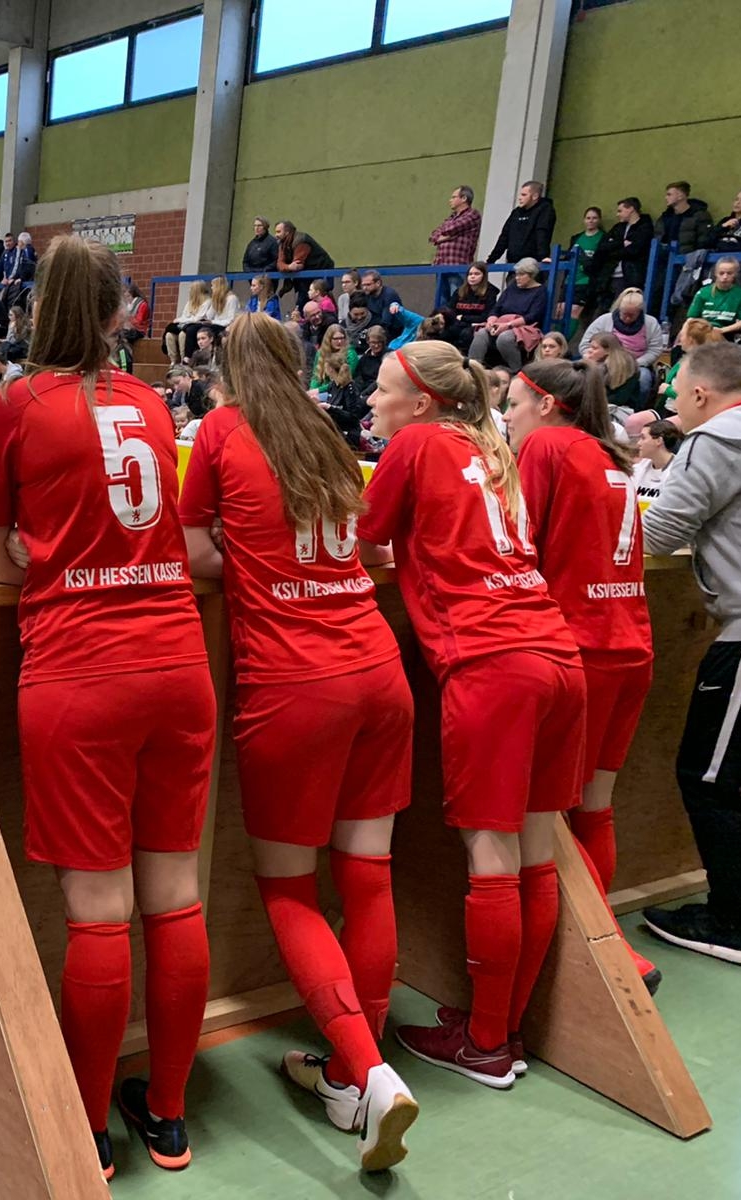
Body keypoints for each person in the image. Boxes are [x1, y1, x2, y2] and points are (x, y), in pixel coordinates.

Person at [0, 235, 215, 1180]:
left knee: (99, 912)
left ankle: (88, 1131)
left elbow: (2, 565)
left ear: (37, 309)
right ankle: (170, 1116)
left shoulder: (12, 404)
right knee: (175, 895)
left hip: (79, 671)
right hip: (178, 664)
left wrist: (40, 551)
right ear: (121, 313)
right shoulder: (151, 402)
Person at [178, 314, 417, 1170]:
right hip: (379, 672)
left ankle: (368, 1073)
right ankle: (353, 1077)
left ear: (226, 368)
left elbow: (193, 550)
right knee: (367, 875)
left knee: (289, 890)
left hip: (296, 686)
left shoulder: (222, 429)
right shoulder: (325, 429)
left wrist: (245, 556)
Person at [361, 341, 586, 1089]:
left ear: (421, 402)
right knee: (534, 855)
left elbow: (358, 541)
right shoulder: (488, 445)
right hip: (557, 656)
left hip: (492, 664)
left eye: (383, 390)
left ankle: (487, 1043)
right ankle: (503, 1029)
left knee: (492, 859)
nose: (372, 401)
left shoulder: (414, 444)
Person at [505, 359, 661, 989]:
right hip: (630, 646)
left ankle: (606, 959)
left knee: (545, 825)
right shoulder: (606, 452)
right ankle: (613, 949)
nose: (507, 418)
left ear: (545, 405)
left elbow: (515, 541)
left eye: (513, 405)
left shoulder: (546, 446)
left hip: (580, 647)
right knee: (595, 809)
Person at [639, 341, 741, 964]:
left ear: (699, 394)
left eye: (675, 392)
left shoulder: (713, 441)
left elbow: (659, 533)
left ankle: (734, 922)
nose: (670, 404)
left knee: (707, 777)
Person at [581, 289, 666, 400]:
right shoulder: (603, 320)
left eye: (632, 315)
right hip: (603, 363)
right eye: (624, 314)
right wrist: (591, 357)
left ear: (640, 312)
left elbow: (655, 349)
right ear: (619, 309)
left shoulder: (651, 323)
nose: (627, 318)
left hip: (637, 366)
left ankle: (637, 408)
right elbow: (585, 344)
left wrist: (636, 363)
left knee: (644, 380)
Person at [468, 259, 547, 370]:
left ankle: (516, 370)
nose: (517, 278)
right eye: (516, 274)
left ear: (531, 275)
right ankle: (473, 369)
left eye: (521, 275)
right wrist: (491, 320)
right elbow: (497, 308)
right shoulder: (512, 287)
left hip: (523, 327)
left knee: (505, 338)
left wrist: (508, 325)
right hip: (501, 323)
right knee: (481, 333)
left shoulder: (540, 291)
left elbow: (533, 316)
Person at [430, 185, 484, 305]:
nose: (450, 200)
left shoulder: (472, 214)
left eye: (454, 197)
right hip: (441, 265)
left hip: (457, 265)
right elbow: (434, 235)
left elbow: (451, 228)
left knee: (457, 300)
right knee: (441, 303)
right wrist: (448, 236)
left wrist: (445, 235)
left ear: (464, 198)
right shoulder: (451, 217)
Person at [489, 180, 557, 265]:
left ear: (535, 196)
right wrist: (491, 260)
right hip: (513, 263)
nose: (520, 198)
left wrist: (543, 256)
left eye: (524, 195)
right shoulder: (516, 212)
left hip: (533, 264)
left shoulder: (545, 210)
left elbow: (542, 233)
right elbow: (504, 237)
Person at [565, 207, 611, 331]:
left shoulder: (603, 238)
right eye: (588, 218)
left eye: (594, 218)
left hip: (586, 281)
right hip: (569, 279)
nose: (591, 221)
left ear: (599, 220)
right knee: (561, 312)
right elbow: (568, 256)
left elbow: (600, 262)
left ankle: (563, 341)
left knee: (574, 312)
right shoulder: (576, 237)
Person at [685, 257, 741, 337]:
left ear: (735, 274)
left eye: (729, 273)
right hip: (703, 333)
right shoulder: (703, 292)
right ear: (715, 273)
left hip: (728, 333)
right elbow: (691, 319)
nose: (725, 277)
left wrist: (722, 330)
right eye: (721, 273)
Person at [582, 332, 642, 412]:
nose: (589, 351)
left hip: (616, 409)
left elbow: (618, 399)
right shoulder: (598, 363)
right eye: (589, 347)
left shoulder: (624, 367)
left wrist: (588, 366)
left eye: (594, 348)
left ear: (608, 350)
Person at [604, 198, 654, 293]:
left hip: (632, 276)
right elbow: (604, 246)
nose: (617, 214)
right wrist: (622, 244)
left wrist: (613, 251)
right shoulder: (618, 227)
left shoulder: (645, 228)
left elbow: (634, 250)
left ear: (631, 209)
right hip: (610, 275)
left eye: (620, 211)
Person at [274, 221, 335, 297]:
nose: (276, 235)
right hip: (306, 274)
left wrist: (287, 267)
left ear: (287, 232)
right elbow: (279, 264)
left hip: (321, 269)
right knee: (303, 298)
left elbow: (298, 265)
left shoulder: (301, 240)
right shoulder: (282, 243)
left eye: (278, 232)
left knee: (323, 296)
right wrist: (289, 267)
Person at [448, 262, 499, 351]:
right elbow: (450, 310)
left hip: (477, 325)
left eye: (477, 274)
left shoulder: (490, 293)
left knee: (466, 334)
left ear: (484, 276)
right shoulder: (459, 291)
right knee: (447, 331)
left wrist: (463, 318)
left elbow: (486, 316)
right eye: (470, 274)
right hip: (459, 324)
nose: (472, 276)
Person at [632, 417, 683, 503]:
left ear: (659, 441)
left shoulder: (679, 472)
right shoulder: (638, 468)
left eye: (643, 438)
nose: (638, 443)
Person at [657, 182, 712, 257]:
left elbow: (704, 242)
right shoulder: (665, 217)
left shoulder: (699, 215)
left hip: (689, 259)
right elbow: (658, 239)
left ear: (680, 196)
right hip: (664, 259)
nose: (666, 198)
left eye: (669, 194)